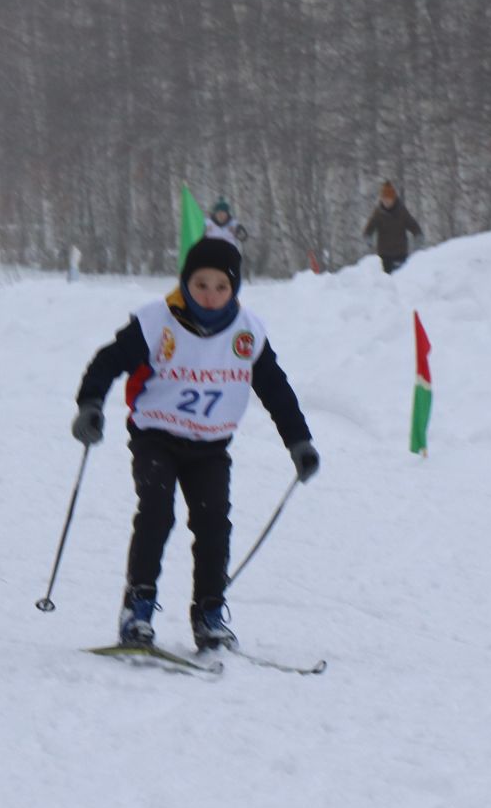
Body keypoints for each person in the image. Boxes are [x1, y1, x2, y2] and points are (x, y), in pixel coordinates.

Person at [71, 237, 319, 653]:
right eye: (201, 284)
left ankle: (208, 615)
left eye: (221, 287)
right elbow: (107, 362)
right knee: (157, 512)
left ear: (234, 289)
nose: (210, 295)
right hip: (156, 437)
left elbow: (276, 390)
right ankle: (138, 610)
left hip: (210, 446)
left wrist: (299, 442)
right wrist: (90, 404)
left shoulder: (247, 334)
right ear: (186, 282)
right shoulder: (156, 321)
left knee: (213, 525)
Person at [362, 180, 422, 274]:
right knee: (386, 282)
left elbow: (412, 224)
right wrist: (368, 236)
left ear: (393, 199)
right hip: (384, 254)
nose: (386, 202)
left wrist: (418, 235)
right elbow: (370, 227)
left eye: (388, 199)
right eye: (384, 199)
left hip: (400, 252)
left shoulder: (401, 211)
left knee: (401, 278)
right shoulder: (378, 213)